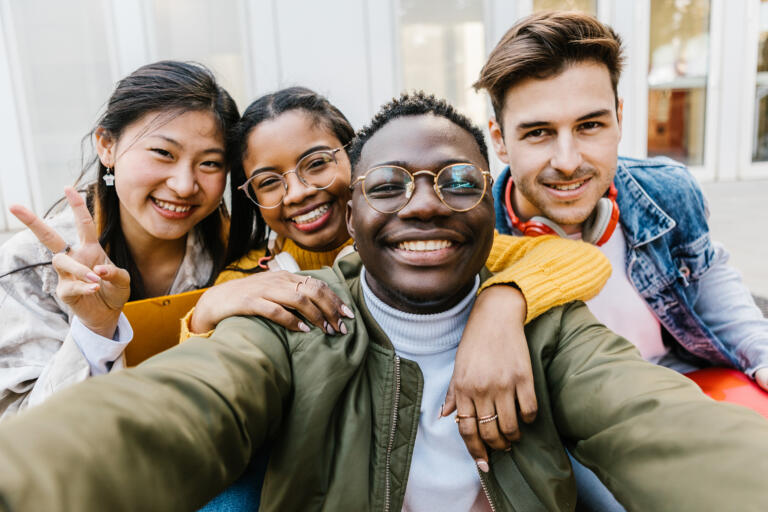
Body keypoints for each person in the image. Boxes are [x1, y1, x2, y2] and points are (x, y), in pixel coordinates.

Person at [1, 93, 768, 512]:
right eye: (393, 185)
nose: (423, 204)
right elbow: (180, 407)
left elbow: (654, 420)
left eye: (459, 182)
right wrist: (202, 314)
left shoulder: (536, 303)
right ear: (359, 205)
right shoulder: (279, 302)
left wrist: (503, 306)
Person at [178, 87, 614, 469]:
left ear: (360, 159)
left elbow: (573, 257)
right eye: (269, 182)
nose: (298, 192)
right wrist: (204, 314)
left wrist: (501, 304)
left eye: (315, 164)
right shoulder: (250, 275)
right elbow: (210, 387)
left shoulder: (428, 245)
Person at [473, 11, 768, 509]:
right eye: (539, 133)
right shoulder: (474, 237)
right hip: (570, 426)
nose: (568, 161)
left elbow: (724, 304)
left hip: (687, 381)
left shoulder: (665, 192)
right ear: (499, 140)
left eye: (589, 125)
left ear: (620, 119)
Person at [0, 60, 239, 419]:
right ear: (106, 145)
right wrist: (94, 329)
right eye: (163, 153)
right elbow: (20, 429)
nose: (184, 185)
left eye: (210, 163)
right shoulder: (35, 263)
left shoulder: (236, 251)